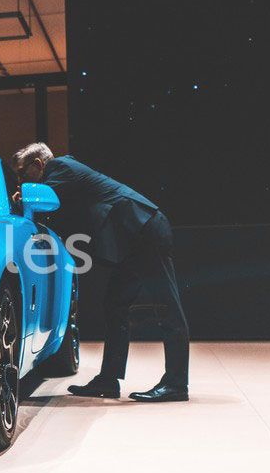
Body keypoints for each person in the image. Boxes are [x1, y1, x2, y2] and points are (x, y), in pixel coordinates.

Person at [13, 142, 189, 403]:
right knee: (115, 305)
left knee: (167, 307)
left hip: (142, 229)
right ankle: (108, 380)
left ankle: (176, 384)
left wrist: (21, 199)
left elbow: (40, 202)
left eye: (22, 173)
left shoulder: (59, 168)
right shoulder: (65, 171)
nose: (20, 180)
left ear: (38, 165)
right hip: (132, 238)